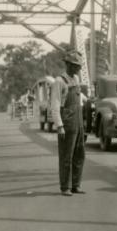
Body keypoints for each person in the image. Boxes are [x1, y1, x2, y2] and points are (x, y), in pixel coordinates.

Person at [50, 50, 87, 196]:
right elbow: (55, 104)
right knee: (66, 156)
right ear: (68, 65)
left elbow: (79, 98)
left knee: (79, 154)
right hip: (67, 123)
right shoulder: (59, 82)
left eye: (78, 66)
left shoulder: (76, 79)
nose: (77, 69)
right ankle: (65, 186)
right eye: (75, 66)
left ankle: (76, 185)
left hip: (78, 122)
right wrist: (59, 125)